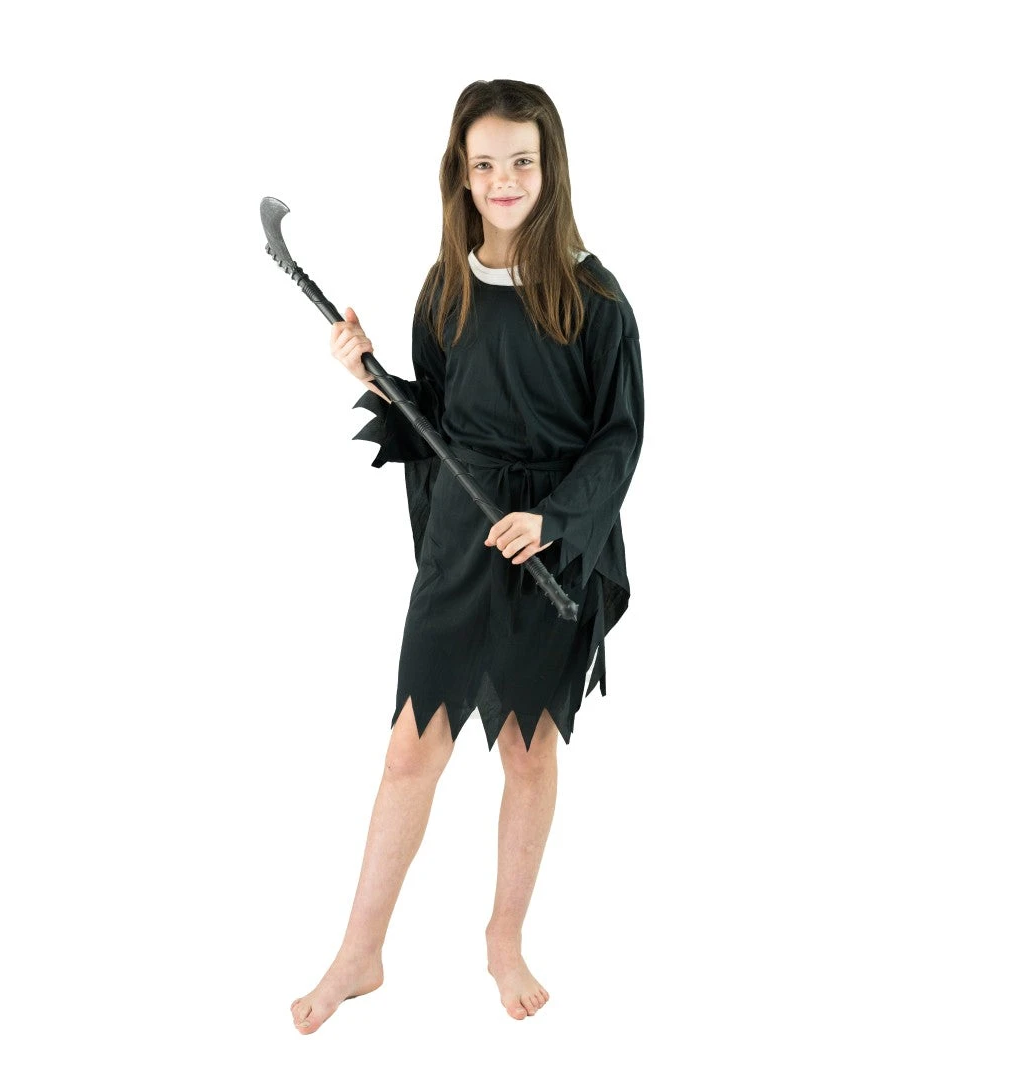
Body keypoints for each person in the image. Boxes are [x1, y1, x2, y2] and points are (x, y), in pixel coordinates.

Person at [290, 78, 644, 1033]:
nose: (503, 180)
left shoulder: (595, 297)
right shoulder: (445, 287)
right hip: (464, 542)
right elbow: (442, 426)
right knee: (412, 746)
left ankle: (504, 938)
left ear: (549, 168)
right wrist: (377, 380)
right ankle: (360, 953)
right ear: (461, 172)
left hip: (551, 546)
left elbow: (619, 438)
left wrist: (555, 520)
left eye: (521, 161)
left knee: (528, 748)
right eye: (484, 163)